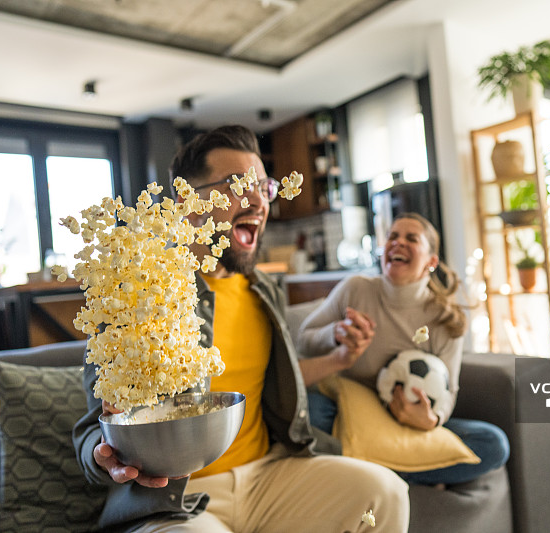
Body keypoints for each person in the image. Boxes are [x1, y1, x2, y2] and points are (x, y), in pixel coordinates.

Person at [72, 125, 409, 532]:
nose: (257, 201)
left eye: (263, 187)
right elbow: (94, 429)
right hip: (177, 498)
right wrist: (104, 454)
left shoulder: (265, 291)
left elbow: (276, 384)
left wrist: (340, 358)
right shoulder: (139, 291)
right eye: (235, 186)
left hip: (269, 476)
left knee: (385, 492)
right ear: (187, 201)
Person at [297, 213, 510, 486]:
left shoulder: (445, 319)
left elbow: (449, 392)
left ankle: (373, 471)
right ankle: (397, 471)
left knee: (492, 443)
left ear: (431, 262)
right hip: (352, 416)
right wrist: (335, 334)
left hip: (404, 425)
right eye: (392, 237)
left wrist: (431, 420)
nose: (398, 243)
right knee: (311, 412)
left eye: (411, 238)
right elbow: (303, 339)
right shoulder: (355, 289)